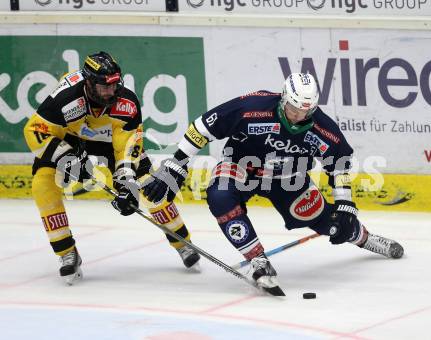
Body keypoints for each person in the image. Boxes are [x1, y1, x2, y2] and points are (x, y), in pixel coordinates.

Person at [143, 73, 404, 295]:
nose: (298, 116)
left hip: (289, 178)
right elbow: (201, 128)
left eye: (306, 111)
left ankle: (364, 238)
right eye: (294, 109)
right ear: (283, 99)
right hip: (240, 168)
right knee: (220, 196)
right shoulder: (251, 107)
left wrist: (346, 204)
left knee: (331, 224)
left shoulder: (322, 128)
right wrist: (177, 162)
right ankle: (257, 259)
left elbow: (340, 163)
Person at [23, 51, 200, 285]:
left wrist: (127, 185)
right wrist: (66, 158)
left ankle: (182, 242)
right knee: (42, 184)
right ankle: (67, 252)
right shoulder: (64, 98)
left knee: (148, 185)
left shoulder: (127, 101)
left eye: (115, 84)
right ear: (88, 83)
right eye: (104, 87)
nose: (112, 91)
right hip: (70, 140)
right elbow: (34, 131)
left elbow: (126, 148)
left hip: (110, 144)